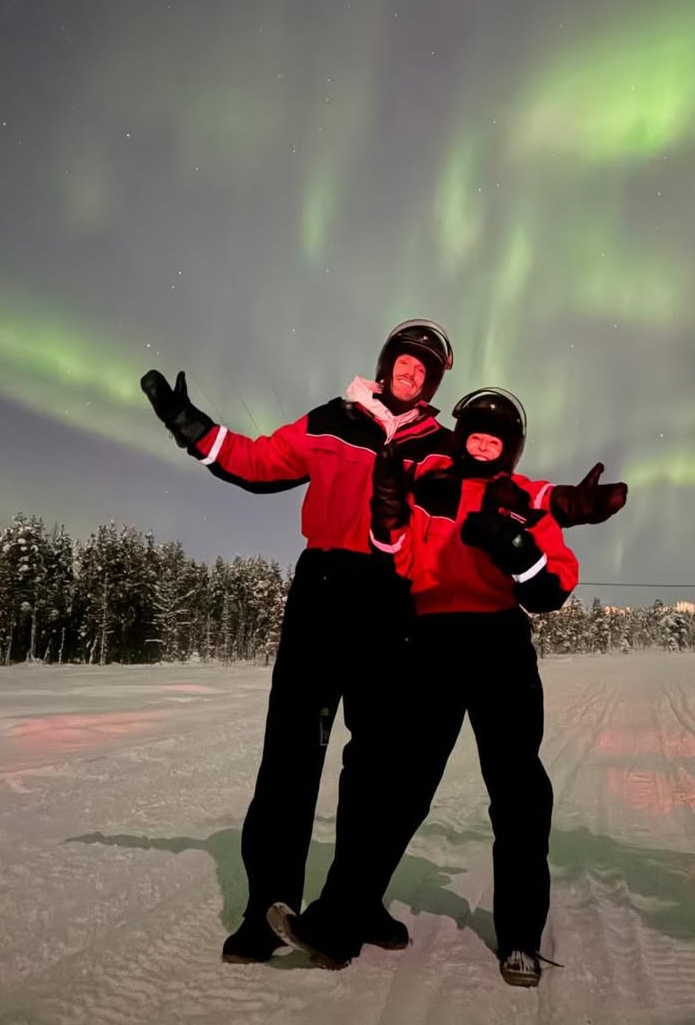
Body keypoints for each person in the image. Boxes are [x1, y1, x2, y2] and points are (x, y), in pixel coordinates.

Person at [142, 327, 623, 965]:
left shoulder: (442, 443)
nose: (412, 375)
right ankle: (266, 912)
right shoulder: (330, 420)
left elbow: (502, 484)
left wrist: (570, 504)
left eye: (426, 371)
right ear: (386, 365)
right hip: (325, 592)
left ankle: (357, 900)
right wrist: (192, 428)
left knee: (378, 764)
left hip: (397, 603)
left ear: (436, 384)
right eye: (405, 363)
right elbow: (255, 461)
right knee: (294, 751)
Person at [269, 387, 627, 988]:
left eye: (494, 438)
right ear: (460, 437)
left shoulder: (523, 499)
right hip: (427, 645)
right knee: (395, 790)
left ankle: (519, 938)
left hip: (499, 647)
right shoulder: (428, 483)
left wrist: (520, 553)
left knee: (517, 793)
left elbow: (551, 590)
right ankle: (337, 924)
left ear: (509, 449)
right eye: (474, 434)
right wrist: (386, 515)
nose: (481, 445)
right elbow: (396, 554)